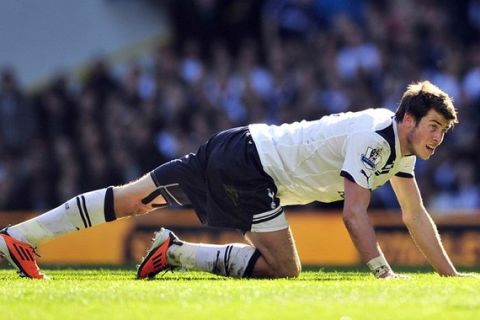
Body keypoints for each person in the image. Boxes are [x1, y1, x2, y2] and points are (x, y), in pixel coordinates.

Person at [0, 81, 468, 280]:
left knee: (128, 199)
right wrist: (383, 274)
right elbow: (352, 213)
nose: (437, 139)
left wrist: (447, 276)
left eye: (443, 133)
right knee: (285, 268)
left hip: (239, 147)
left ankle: (15, 239)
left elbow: (414, 214)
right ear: (407, 119)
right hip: (252, 166)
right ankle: (178, 254)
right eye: (433, 127)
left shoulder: (398, 149)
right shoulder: (376, 138)